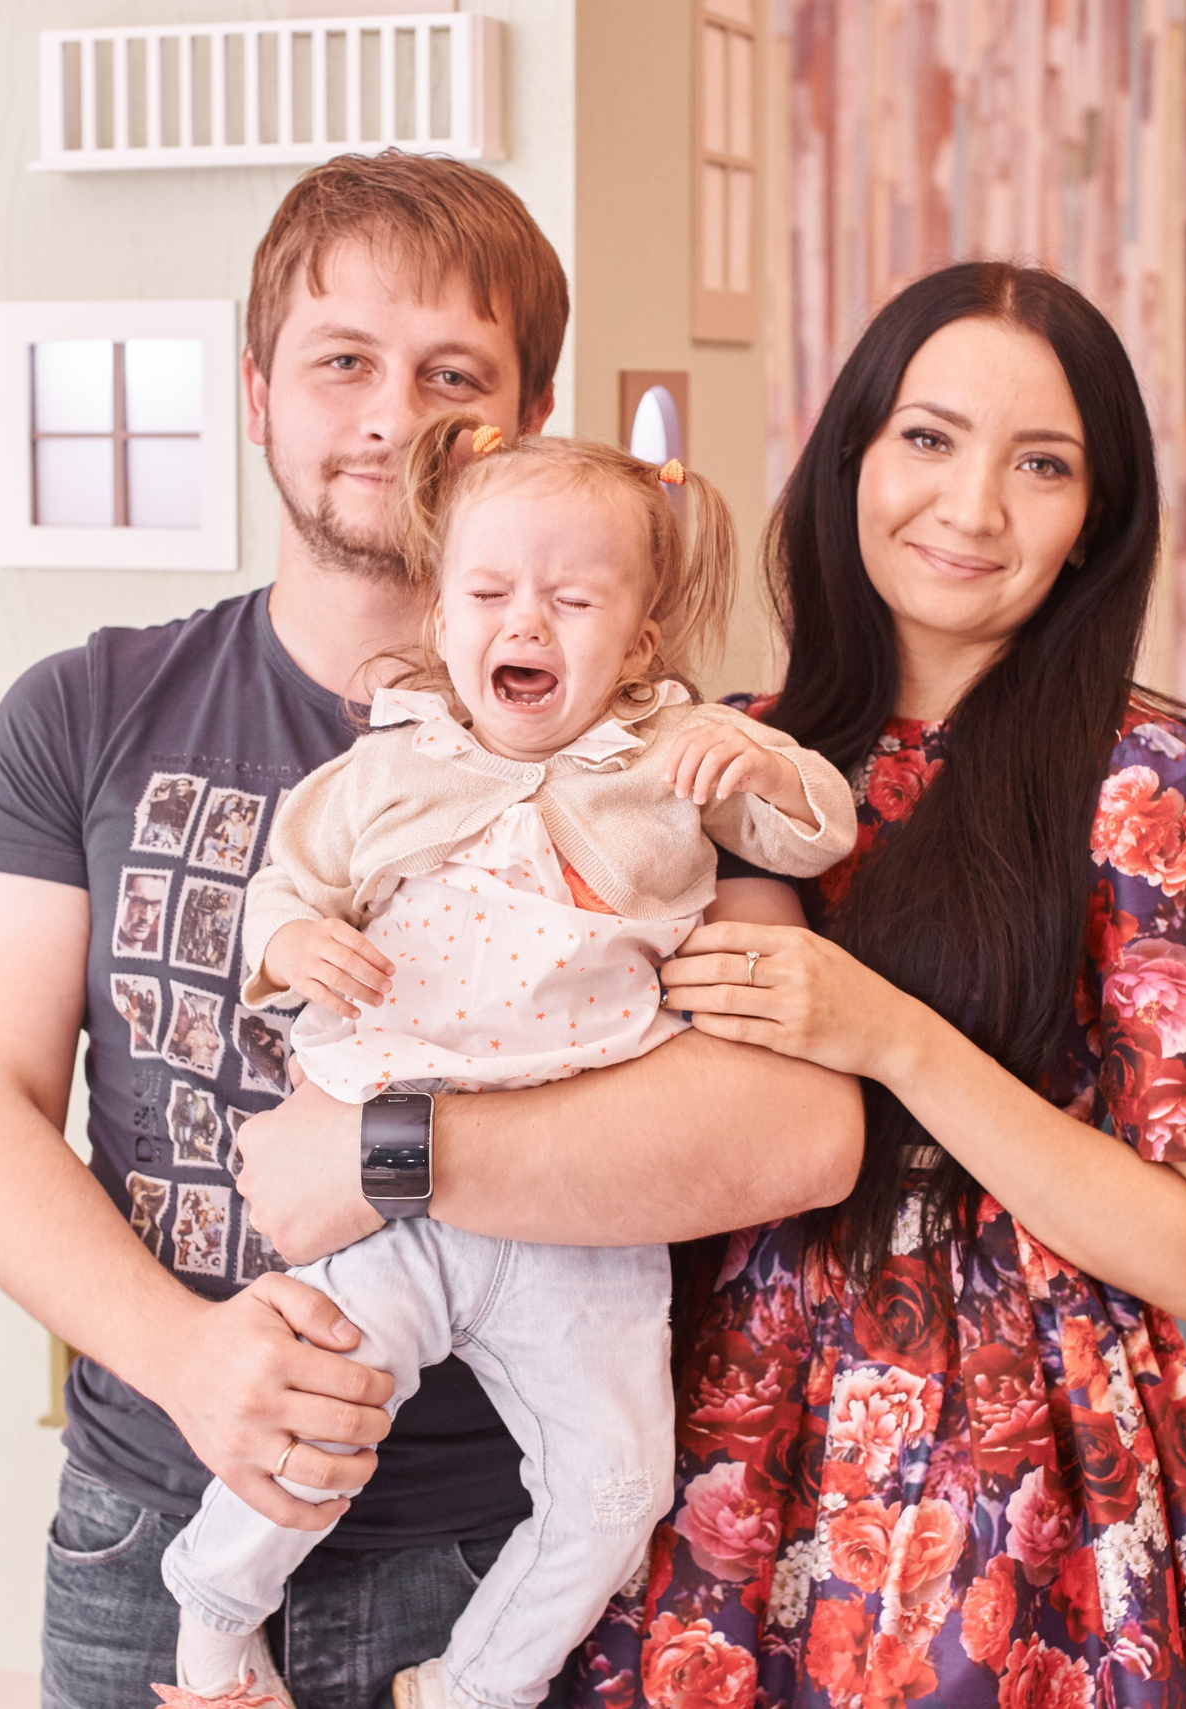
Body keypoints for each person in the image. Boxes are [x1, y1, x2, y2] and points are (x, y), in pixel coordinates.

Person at [0, 151, 863, 1709]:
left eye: (450, 376)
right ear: (257, 391)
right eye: (340, 359)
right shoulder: (80, 713)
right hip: (152, 1514)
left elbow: (789, 1126)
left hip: (485, 1545)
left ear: (522, 422)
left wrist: (387, 1153)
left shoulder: (657, 753)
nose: (384, 414)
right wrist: (193, 1360)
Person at [554, 262, 1186, 1704]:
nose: (971, 508)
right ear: (851, 453)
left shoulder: (1158, 781)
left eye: (1041, 464)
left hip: (1017, 1469)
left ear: (1096, 517)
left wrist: (889, 1035)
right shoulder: (731, 749)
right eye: (928, 438)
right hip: (718, 1427)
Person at [155, 417, 856, 1709]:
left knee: (621, 1481)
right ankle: (213, 1610)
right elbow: (282, 887)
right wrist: (300, 940)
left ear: (640, 640)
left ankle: (474, 1686)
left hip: (581, 1211)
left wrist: (758, 759)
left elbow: (810, 833)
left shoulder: (666, 758)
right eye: (488, 592)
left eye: (574, 599)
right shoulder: (384, 766)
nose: (523, 619)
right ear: (442, 608)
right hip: (384, 1191)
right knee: (313, 1407)